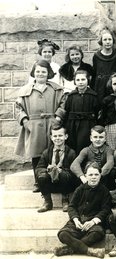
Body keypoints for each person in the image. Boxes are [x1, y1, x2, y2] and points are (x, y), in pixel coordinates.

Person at [15, 59, 65, 193]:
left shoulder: (56, 89)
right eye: (38, 71)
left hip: (52, 125)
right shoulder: (25, 90)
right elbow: (18, 108)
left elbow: (63, 104)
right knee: (36, 155)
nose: (41, 74)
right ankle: (38, 181)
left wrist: (58, 118)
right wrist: (25, 121)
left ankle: (54, 180)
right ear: (33, 73)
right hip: (33, 126)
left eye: (44, 71)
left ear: (49, 73)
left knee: (52, 152)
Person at [54, 162, 112, 258]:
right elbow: (71, 206)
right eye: (90, 175)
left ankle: (69, 249)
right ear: (85, 176)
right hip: (79, 221)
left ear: (100, 176)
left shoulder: (104, 191)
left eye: (96, 174)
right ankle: (89, 251)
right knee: (62, 234)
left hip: (93, 223)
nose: (93, 177)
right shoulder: (80, 189)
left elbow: (105, 209)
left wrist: (93, 221)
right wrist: (76, 220)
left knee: (98, 233)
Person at [35, 124, 78, 212]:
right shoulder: (46, 152)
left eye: (60, 135)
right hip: (51, 183)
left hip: (66, 184)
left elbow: (74, 171)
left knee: (64, 175)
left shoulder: (71, 153)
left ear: (66, 137)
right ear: (51, 137)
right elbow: (38, 168)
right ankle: (47, 202)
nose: (57, 138)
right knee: (41, 176)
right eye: (55, 136)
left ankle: (65, 200)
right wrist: (47, 170)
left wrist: (60, 171)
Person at [62, 69, 99, 153]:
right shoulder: (71, 96)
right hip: (73, 125)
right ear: (74, 81)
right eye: (78, 80)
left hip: (87, 124)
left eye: (83, 79)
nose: (80, 82)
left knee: (85, 144)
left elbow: (97, 111)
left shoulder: (93, 96)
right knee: (73, 144)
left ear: (88, 80)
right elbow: (67, 111)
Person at [92, 28, 116, 102]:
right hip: (100, 86)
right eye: (105, 40)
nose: (108, 42)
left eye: (110, 39)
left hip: (113, 86)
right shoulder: (96, 56)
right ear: (101, 42)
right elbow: (94, 73)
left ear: (113, 41)